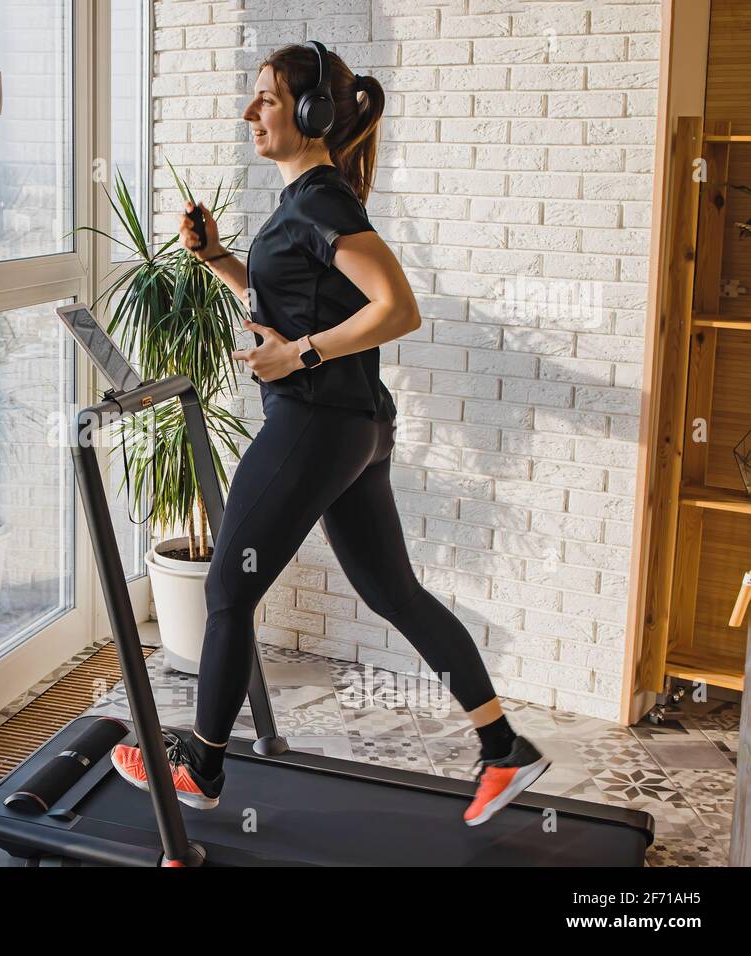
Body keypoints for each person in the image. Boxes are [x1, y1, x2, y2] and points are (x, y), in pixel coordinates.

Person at [111, 41, 550, 827]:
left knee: (226, 591)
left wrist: (301, 354)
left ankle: (202, 769)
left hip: (317, 423)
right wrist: (217, 260)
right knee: (392, 592)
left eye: (267, 99)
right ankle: (504, 747)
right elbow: (296, 302)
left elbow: (397, 308)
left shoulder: (321, 201)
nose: (251, 113)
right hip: (355, 429)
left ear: (310, 114)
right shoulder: (302, 205)